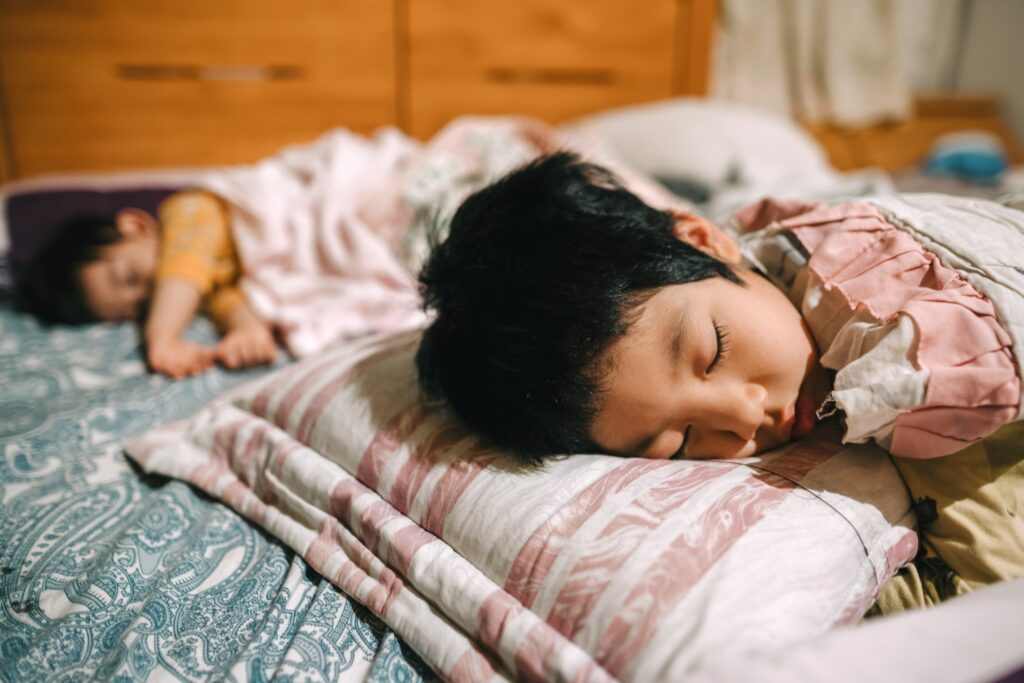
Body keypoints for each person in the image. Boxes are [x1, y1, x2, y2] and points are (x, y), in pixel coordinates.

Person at [416, 151, 1023, 609]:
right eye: (680, 442)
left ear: (705, 240)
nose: (742, 418)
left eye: (715, 351)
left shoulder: (859, 270)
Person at [19, 190, 277, 379]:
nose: (149, 294)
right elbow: (225, 299)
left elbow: (188, 260)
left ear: (136, 226)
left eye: (129, 276)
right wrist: (248, 331)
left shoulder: (189, 211)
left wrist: (163, 337)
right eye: (142, 308)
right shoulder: (196, 294)